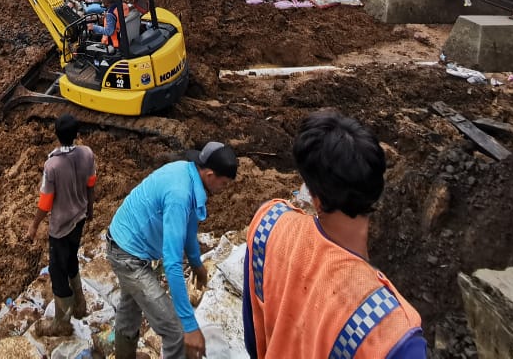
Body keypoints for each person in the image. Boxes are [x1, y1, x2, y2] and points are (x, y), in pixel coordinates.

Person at [243, 112, 425, 359]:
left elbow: (254, 339)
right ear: (376, 187)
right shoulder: (392, 332)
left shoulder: (268, 224)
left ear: (314, 196)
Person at [107, 141, 238, 359]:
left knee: (129, 309)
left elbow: (189, 225)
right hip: (127, 255)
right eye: (223, 183)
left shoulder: (187, 173)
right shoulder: (180, 194)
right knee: (176, 332)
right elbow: (172, 262)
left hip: (126, 243)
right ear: (209, 175)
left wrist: (196, 263)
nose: (224, 189)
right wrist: (189, 326)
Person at [28, 113, 98, 338]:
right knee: (71, 258)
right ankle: (80, 303)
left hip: (60, 228)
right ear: (77, 133)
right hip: (79, 219)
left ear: (56, 135)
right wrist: (90, 209)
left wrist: (34, 225)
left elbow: (46, 202)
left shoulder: (53, 165)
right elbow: (91, 184)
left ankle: (62, 322)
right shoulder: (87, 153)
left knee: (57, 272)